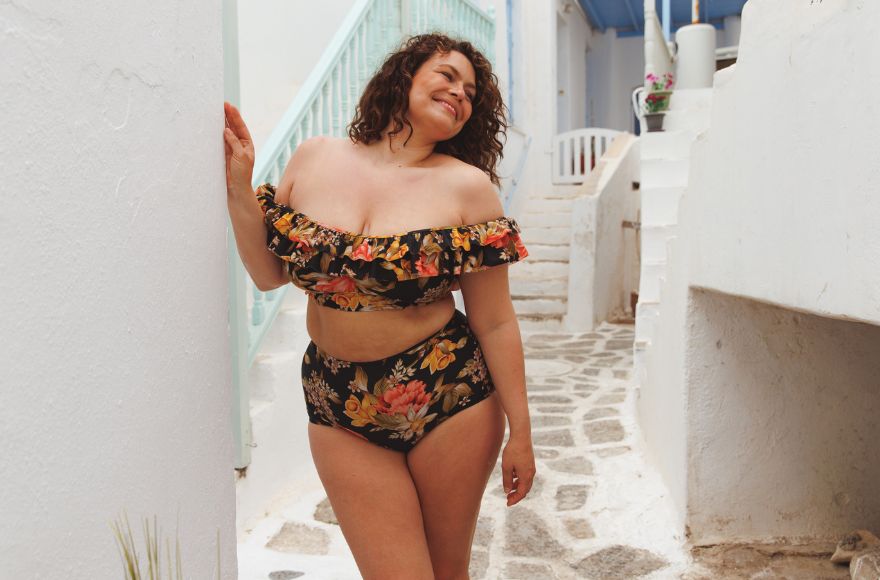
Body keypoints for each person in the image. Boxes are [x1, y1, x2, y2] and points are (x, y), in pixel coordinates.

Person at [224, 33, 535, 579]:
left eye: (470, 93)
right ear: (405, 75)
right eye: (447, 75)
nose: (459, 93)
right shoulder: (314, 157)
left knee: (445, 572)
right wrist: (238, 190)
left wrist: (522, 434)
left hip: (448, 396)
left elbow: (495, 319)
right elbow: (269, 275)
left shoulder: (468, 188)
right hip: (337, 400)